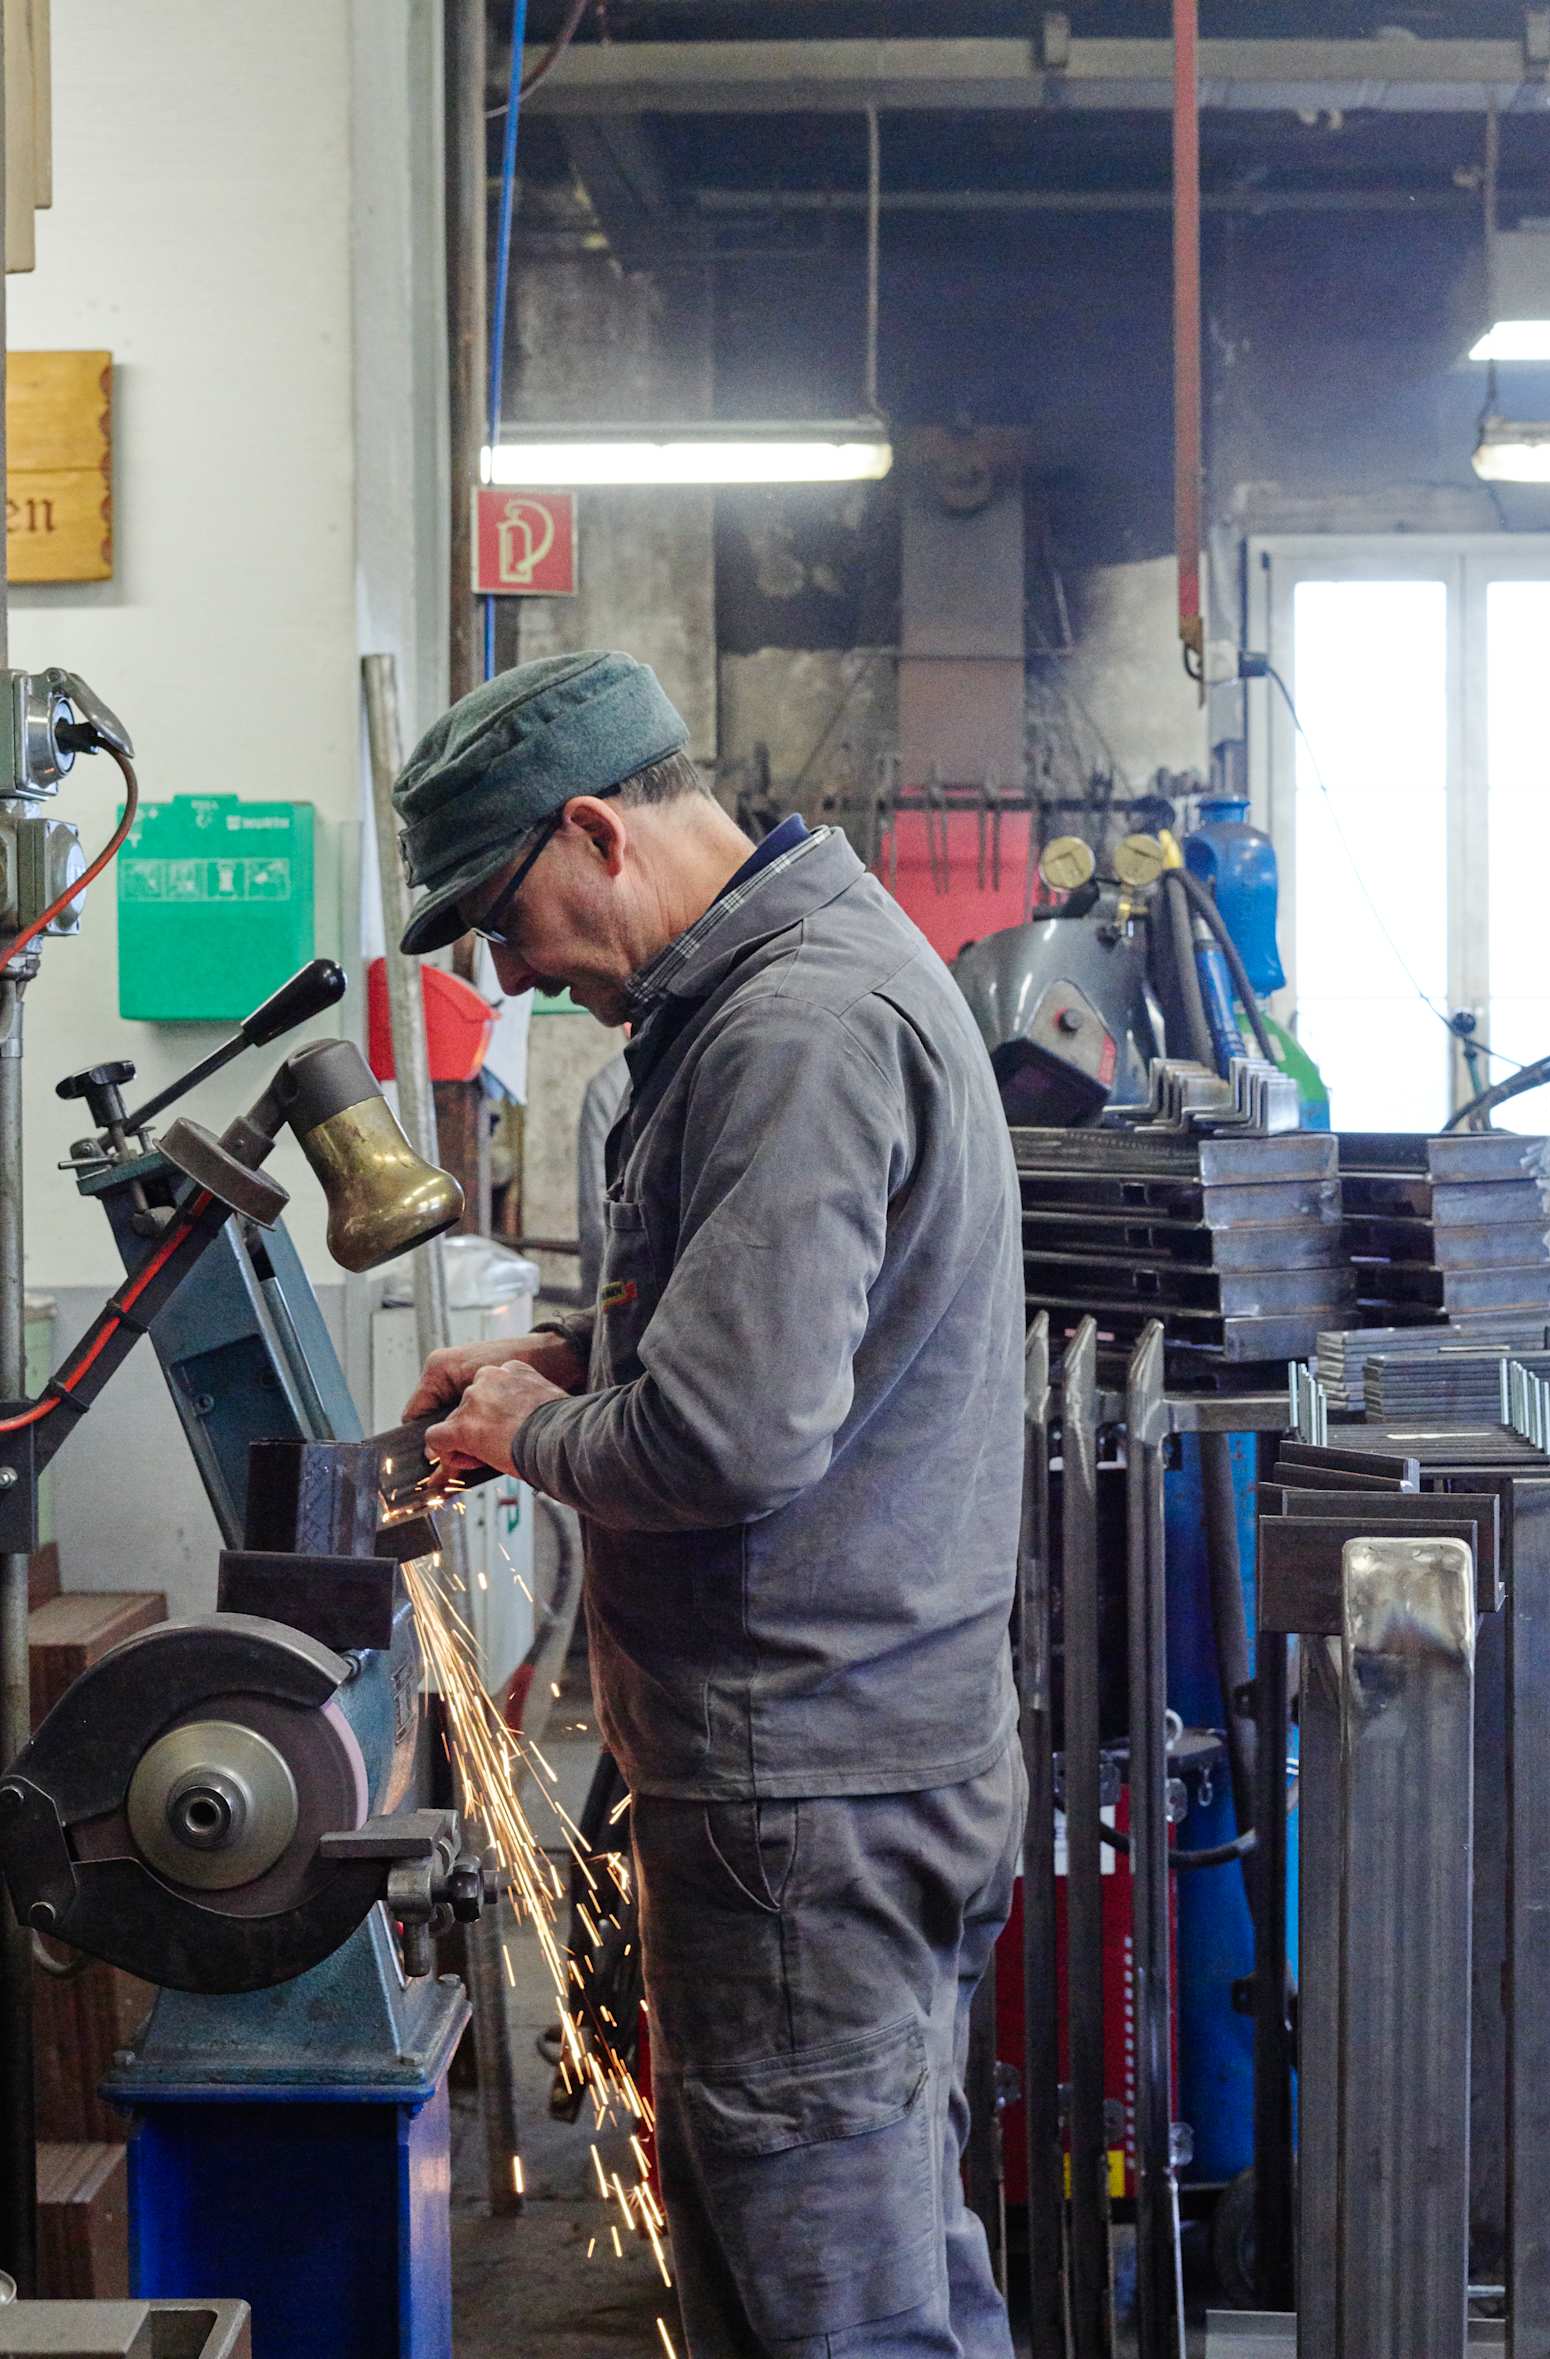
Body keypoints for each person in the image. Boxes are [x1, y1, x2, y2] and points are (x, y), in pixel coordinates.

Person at [394, 651, 1027, 2359]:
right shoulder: (766, 998)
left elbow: (734, 1440)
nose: (509, 969)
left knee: (836, 2313)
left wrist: (533, 1432)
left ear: (596, 831)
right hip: (844, 1766)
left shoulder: (794, 1027)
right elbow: (770, 1333)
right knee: (886, 2265)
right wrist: (573, 1345)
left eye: (503, 918)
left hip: (805, 1787)